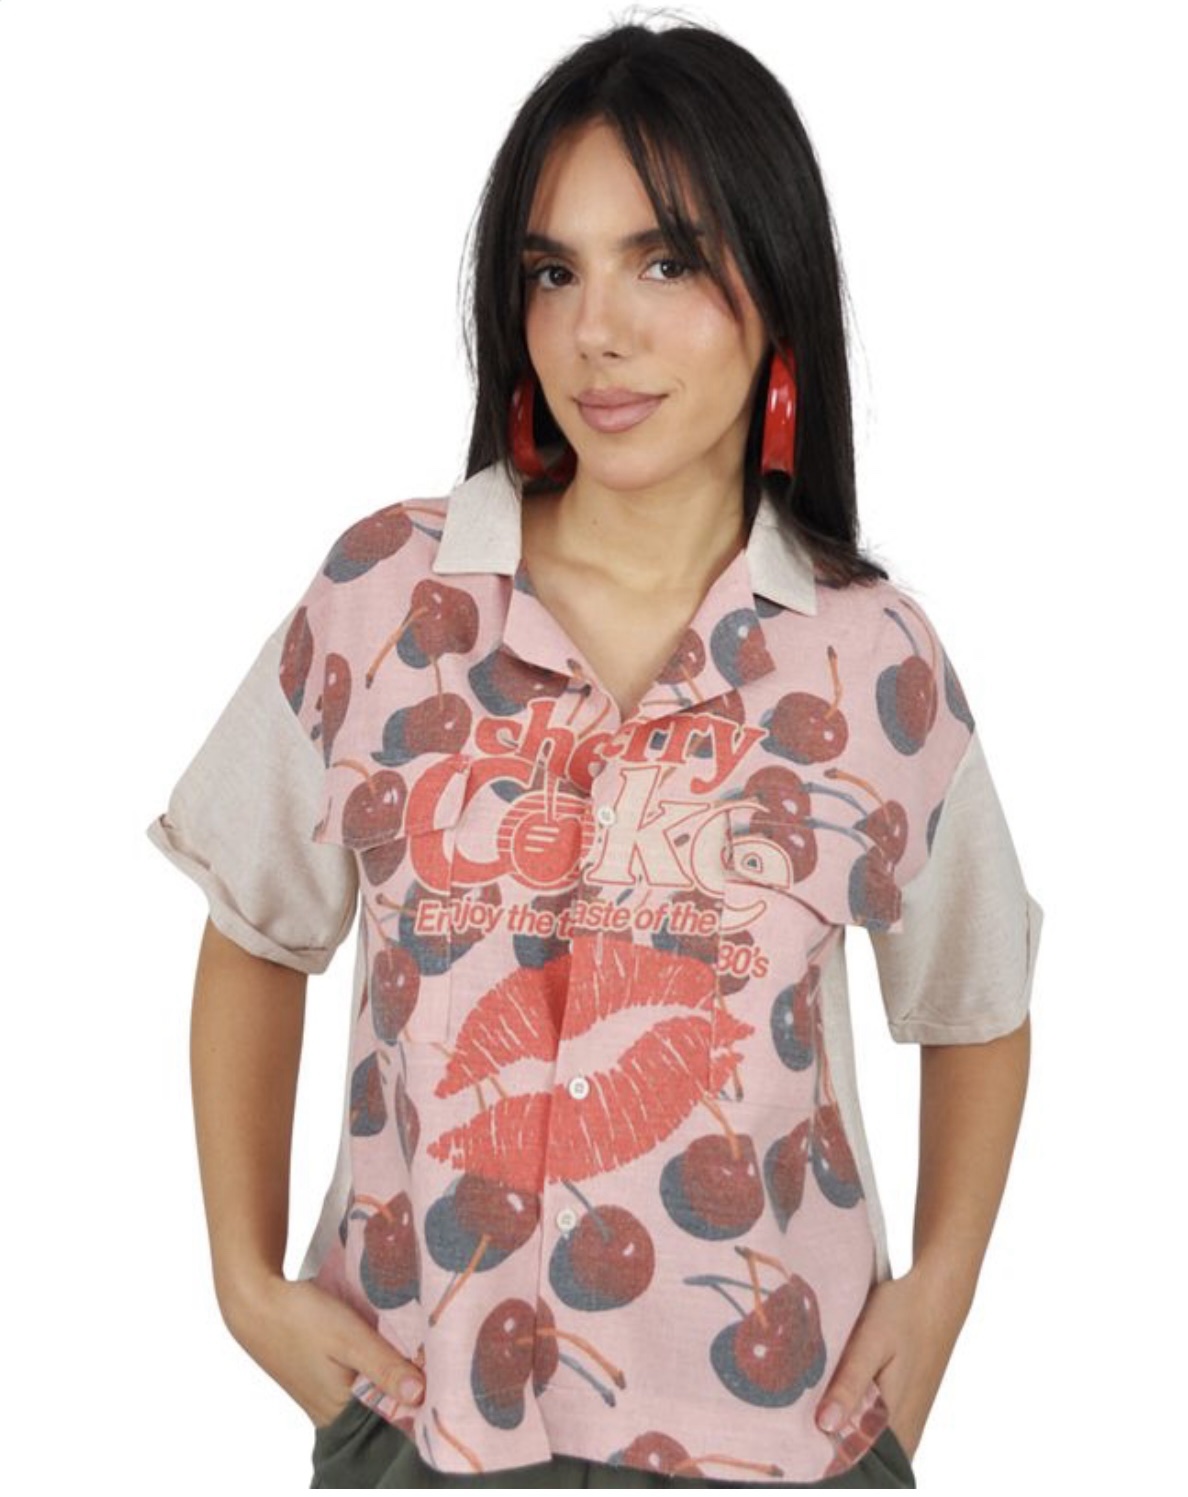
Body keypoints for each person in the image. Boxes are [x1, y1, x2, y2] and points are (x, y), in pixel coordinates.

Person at [146, 19, 1041, 1490]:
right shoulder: (389, 597)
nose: (594, 333)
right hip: (424, 1420)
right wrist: (243, 1282)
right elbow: (254, 925)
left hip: (778, 1439)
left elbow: (979, 997)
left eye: (665, 263)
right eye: (553, 272)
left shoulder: (872, 661)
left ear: (777, 290)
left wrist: (935, 1297)